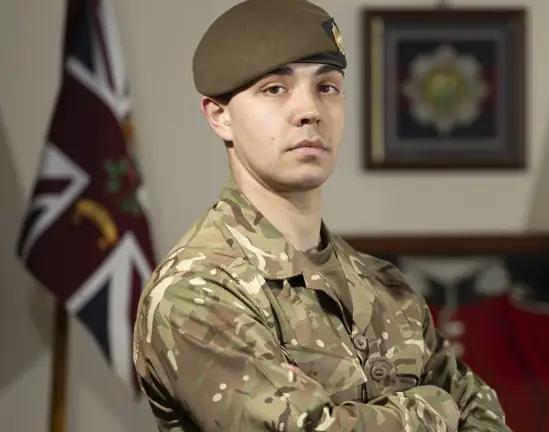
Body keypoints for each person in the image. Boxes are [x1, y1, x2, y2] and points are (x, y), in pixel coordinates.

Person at [132, 0, 510, 431]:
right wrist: (433, 409)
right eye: (275, 89)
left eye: (326, 86)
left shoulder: (385, 287)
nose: (309, 111)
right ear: (220, 117)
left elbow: (485, 417)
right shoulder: (197, 293)